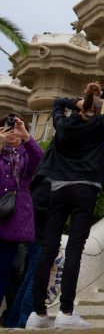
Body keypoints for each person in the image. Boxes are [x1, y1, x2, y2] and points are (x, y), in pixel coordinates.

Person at [26, 82, 104, 330]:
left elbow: (56, 103)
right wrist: (100, 92)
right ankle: (66, 311)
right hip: (85, 188)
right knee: (75, 247)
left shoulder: (62, 124)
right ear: (97, 109)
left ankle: (38, 313)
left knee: (48, 247)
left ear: (77, 108)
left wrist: (77, 101)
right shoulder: (100, 123)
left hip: (58, 187)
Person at [0, 115, 43, 311]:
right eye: (6, 128)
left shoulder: (26, 154)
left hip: (14, 217)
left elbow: (41, 161)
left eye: (15, 129)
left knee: (4, 269)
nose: (11, 133)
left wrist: (26, 136)